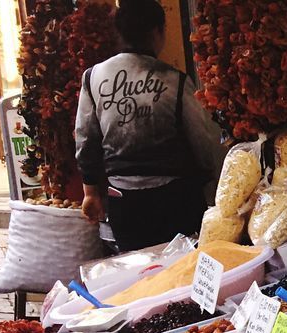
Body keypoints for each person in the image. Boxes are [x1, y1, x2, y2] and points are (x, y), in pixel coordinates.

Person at [75, 0, 223, 250]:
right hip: (175, 200)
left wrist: (90, 193)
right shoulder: (175, 81)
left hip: (122, 200)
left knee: (140, 274)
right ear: (157, 31)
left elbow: (85, 139)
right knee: (181, 270)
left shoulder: (93, 77)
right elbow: (203, 142)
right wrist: (212, 185)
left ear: (119, 32)